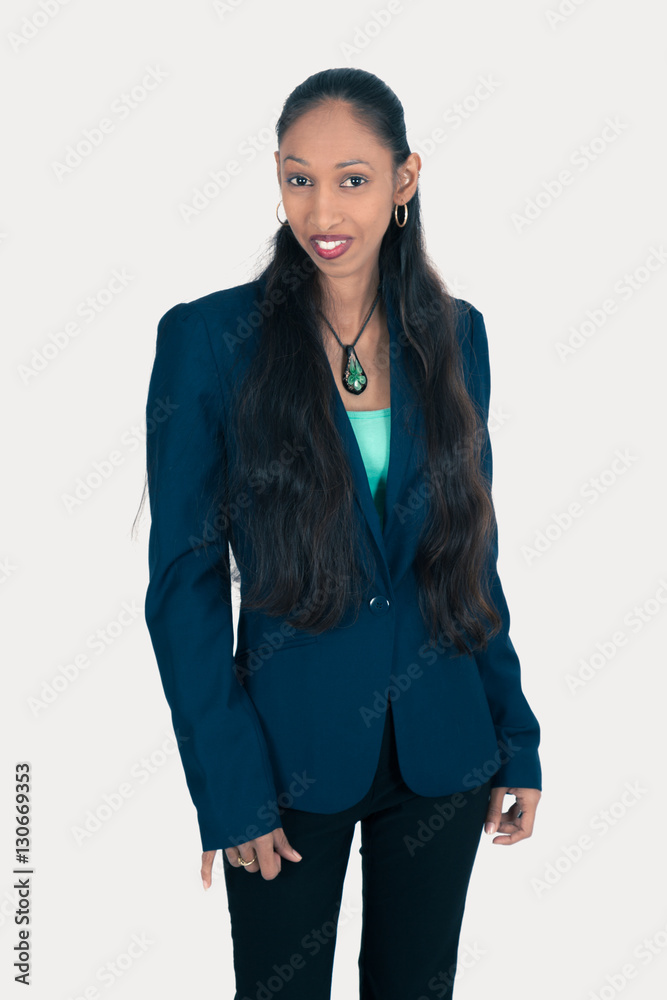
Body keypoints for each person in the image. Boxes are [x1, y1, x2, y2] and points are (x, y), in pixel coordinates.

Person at [137, 67, 542, 999]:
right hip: (283, 764)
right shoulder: (209, 340)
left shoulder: (456, 334)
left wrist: (513, 733)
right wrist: (228, 786)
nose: (322, 210)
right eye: (298, 178)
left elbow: (467, 553)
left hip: (443, 748)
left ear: (405, 179)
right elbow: (182, 587)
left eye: (352, 179)